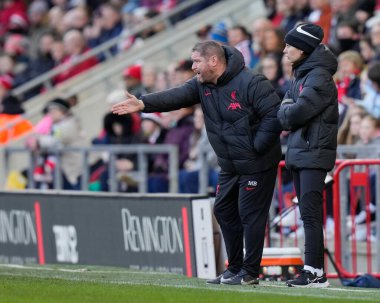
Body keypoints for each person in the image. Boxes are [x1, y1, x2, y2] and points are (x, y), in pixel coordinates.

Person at [112, 40, 282, 285]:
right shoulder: (203, 84)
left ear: (213, 61)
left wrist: (256, 147)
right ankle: (234, 268)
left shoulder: (252, 82)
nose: (193, 67)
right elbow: (177, 95)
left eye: (197, 61)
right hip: (230, 164)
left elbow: (274, 116)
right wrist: (143, 104)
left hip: (257, 162)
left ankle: (250, 272)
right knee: (223, 209)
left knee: (250, 214)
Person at [278, 23, 338, 288]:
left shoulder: (318, 77)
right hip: (304, 153)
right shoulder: (303, 74)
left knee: (311, 216)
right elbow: (286, 109)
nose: (285, 49)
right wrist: (287, 108)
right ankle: (313, 271)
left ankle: (315, 272)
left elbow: (292, 114)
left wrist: (288, 109)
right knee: (307, 215)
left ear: (303, 49)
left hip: (313, 153)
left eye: (289, 45)